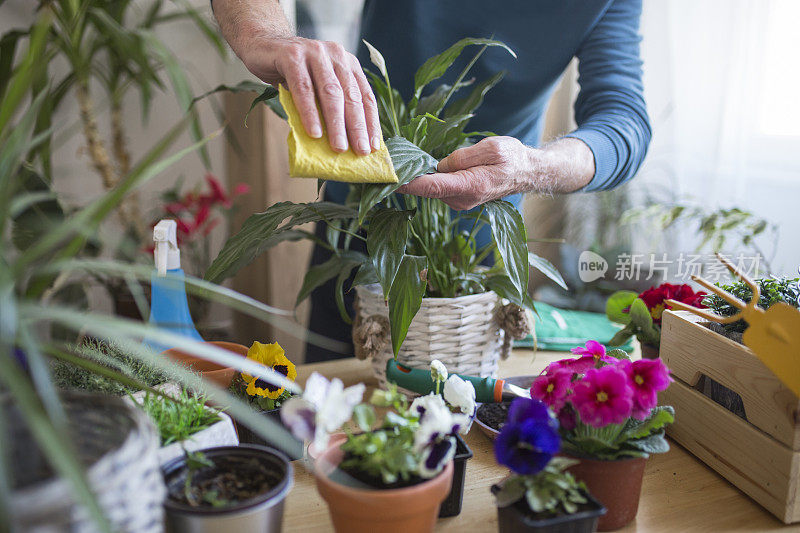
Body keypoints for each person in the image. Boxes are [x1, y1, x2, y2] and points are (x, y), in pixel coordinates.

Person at [212, 0, 651, 362]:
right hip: (358, 228)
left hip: (473, 250)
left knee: (455, 433)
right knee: (333, 425)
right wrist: (265, 35)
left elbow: (624, 121)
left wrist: (533, 167)